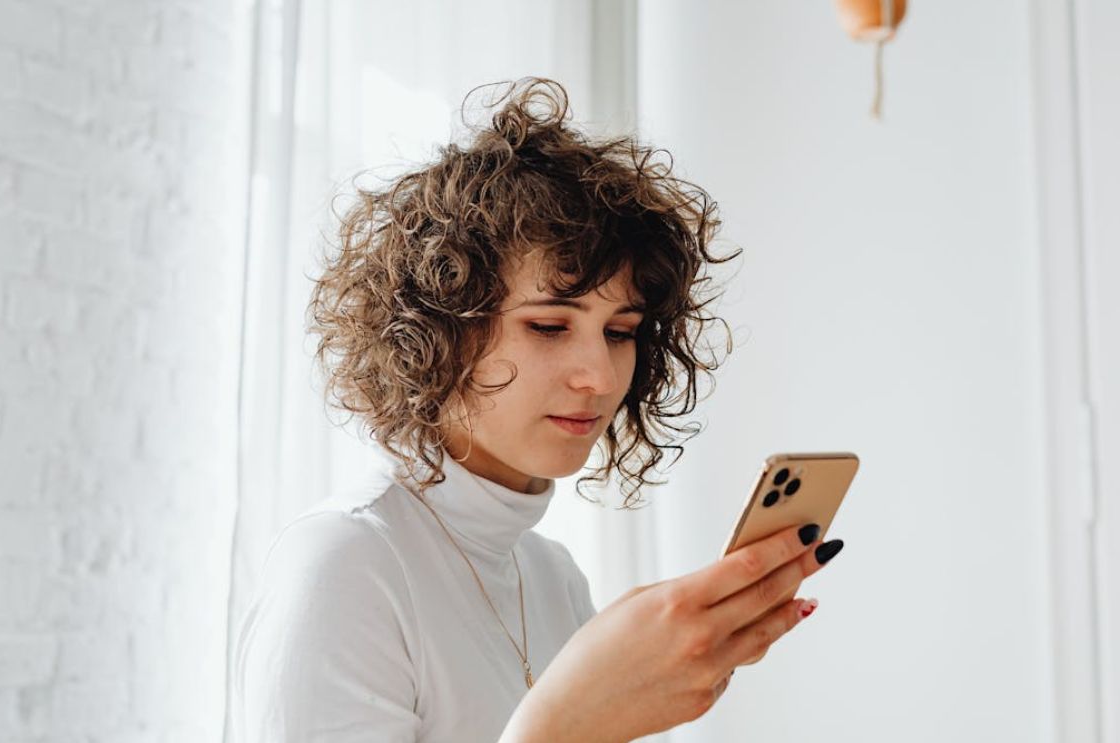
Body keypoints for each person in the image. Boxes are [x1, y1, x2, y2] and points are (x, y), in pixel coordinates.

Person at [227, 77, 844, 743]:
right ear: (437, 330)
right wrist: (565, 723)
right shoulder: (344, 564)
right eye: (548, 326)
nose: (598, 376)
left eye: (620, 332)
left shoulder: (555, 578)